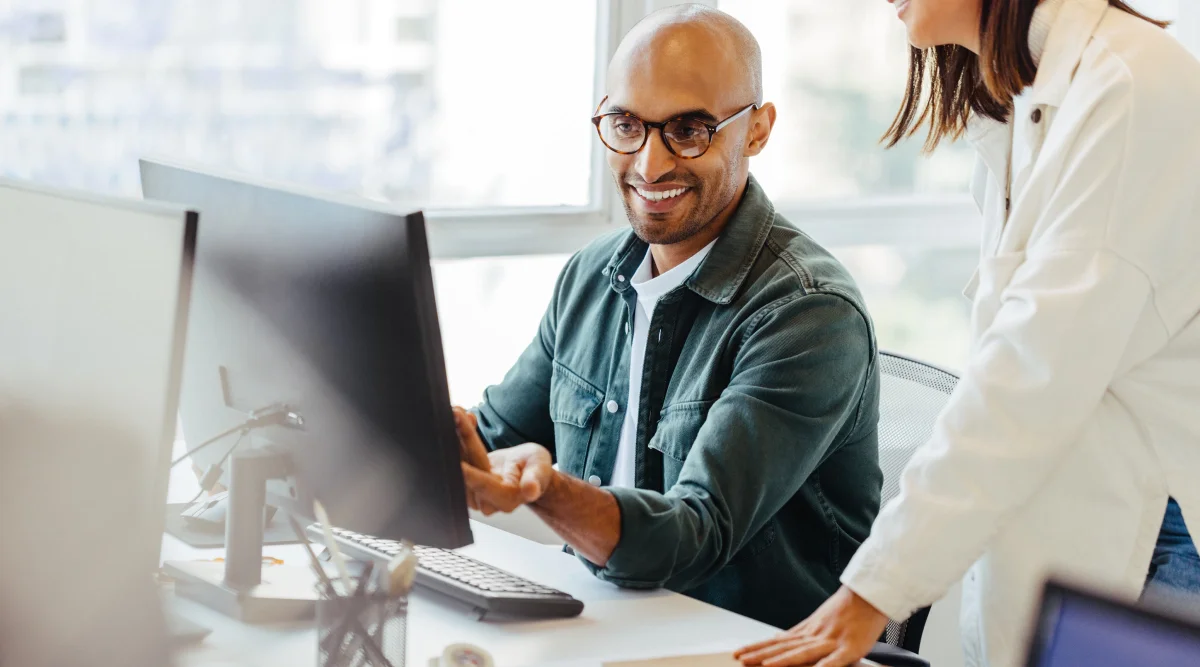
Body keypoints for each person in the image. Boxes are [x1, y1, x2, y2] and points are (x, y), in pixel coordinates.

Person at [735, 0, 1200, 666]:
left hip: (1153, 555)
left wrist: (872, 591)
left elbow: (1027, 376)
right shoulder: (1028, 100)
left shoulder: (1130, 90)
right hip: (1078, 540)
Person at [451, 4, 883, 629]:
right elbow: (490, 437)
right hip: (601, 633)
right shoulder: (591, 277)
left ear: (757, 130)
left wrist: (547, 491)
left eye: (688, 130)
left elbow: (694, 537)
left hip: (734, 647)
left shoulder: (808, 313)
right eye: (627, 124)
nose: (650, 165)